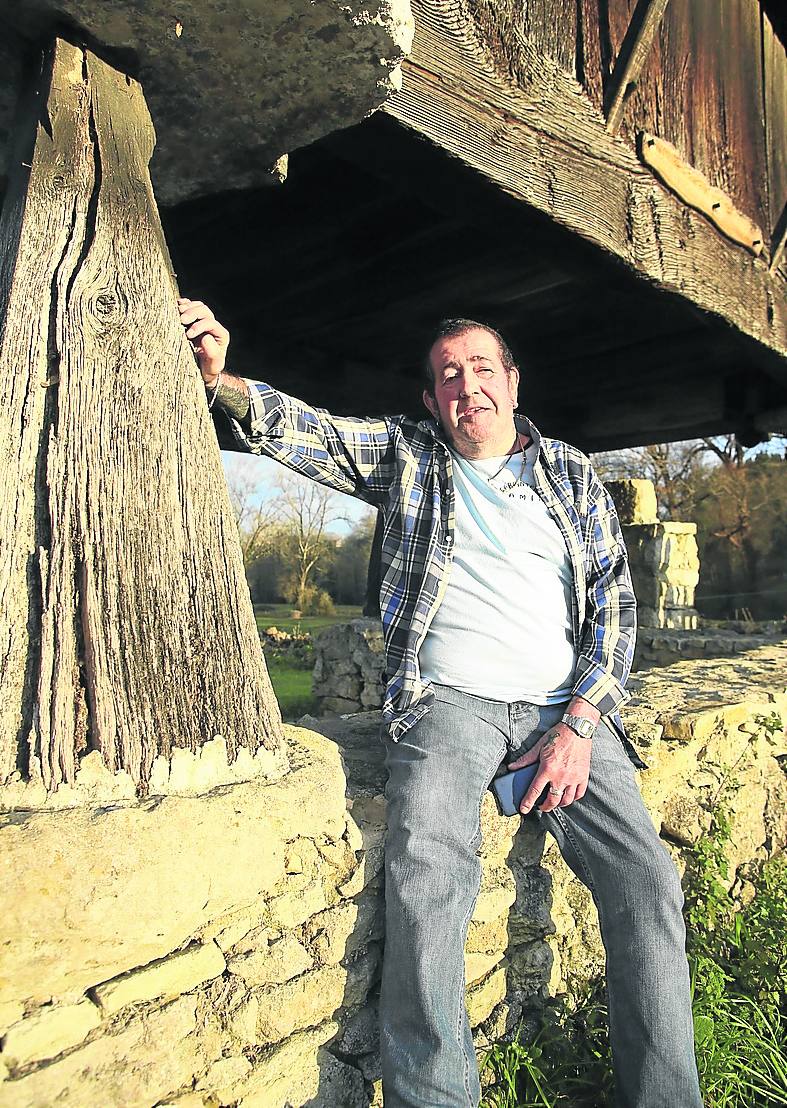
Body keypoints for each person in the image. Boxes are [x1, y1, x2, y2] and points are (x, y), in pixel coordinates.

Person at [179, 298, 703, 1108]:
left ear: (512, 382)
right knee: (427, 873)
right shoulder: (408, 456)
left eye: (481, 369)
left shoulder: (569, 473)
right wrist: (223, 381)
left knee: (645, 882)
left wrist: (579, 723)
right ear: (431, 399)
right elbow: (311, 430)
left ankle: (664, 1097)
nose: (467, 386)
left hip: (565, 710)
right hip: (448, 704)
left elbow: (614, 609)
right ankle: (435, 1098)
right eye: (448, 375)